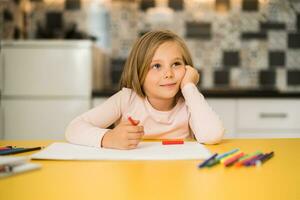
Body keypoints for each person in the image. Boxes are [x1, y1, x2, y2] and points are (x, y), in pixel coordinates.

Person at [65, 30, 224, 150]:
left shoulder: (189, 103)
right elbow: (74, 128)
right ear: (138, 72)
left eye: (176, 64)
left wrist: (189, 86)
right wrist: (109, 138)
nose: (168, 74)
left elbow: (212, 135)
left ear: (188, 68)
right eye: (156, 66)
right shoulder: (126, 99)